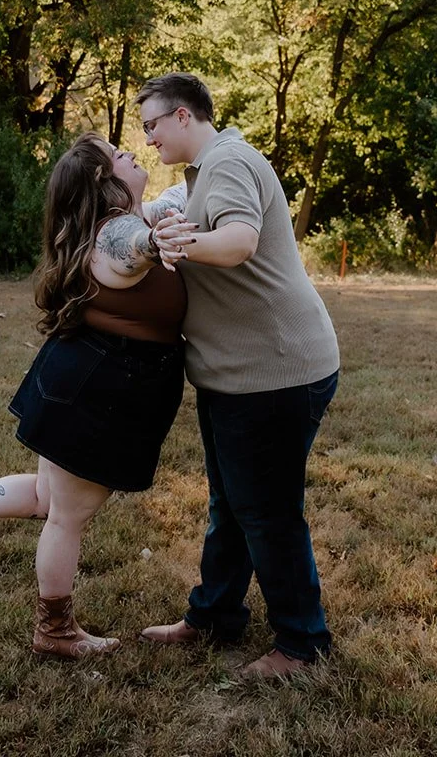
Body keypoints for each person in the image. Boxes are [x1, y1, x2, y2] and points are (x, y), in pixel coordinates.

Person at [0, 133, 193, 659]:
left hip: (83, 376)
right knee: (67, 516)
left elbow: (172, 204)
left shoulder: (121, 217)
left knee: (51, 498)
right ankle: (54, 629)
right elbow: (132, 246)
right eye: (119, 153)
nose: (130, 152)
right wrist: (153, 239)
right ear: (104, 180)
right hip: (103, 388)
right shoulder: (119, 232)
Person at [135, 72, 340, 679]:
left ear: (182, 117)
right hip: (238, 377)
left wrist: (179, 244)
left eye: (151, 125)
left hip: (276, 374)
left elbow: (239, 242)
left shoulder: (227, 162)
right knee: (233, 504)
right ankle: (215, 616)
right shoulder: (202, 173)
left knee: (269, 513)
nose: (148, 140)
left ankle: (303, 645)